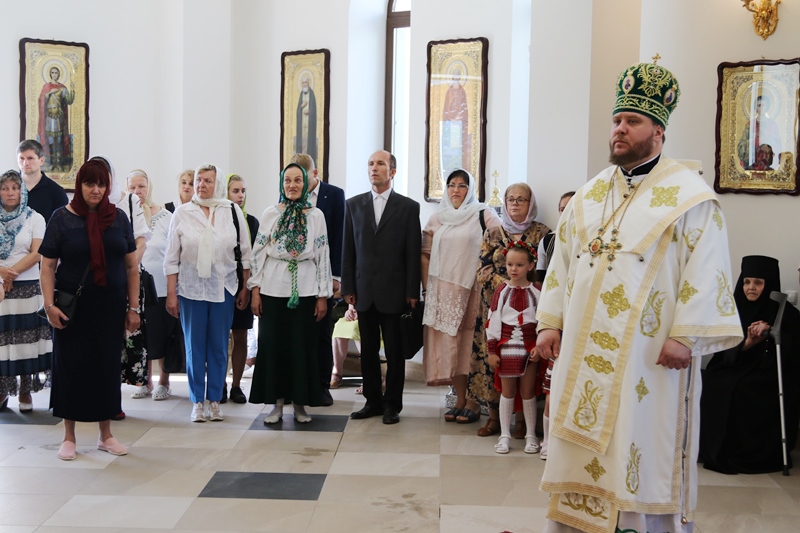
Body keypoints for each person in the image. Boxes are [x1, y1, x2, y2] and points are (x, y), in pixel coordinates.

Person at [535, 61, 743, 533]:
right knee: (579, 450)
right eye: (617, 120)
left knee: (640, 443)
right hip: (583, 352)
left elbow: (707, 269)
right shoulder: (588, 195)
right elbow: (562, 262)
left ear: (658, 131)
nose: (619, 129)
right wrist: (550, 321)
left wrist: (685, 336)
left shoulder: (690, 198)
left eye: (632, 121)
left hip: (647, 358)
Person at [39, 159, 140, 461]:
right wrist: (49, 305)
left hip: (110, 308)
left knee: (106, 368)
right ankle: (68, 437)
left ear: (108, 187)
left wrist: (134, 307)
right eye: (89, 183)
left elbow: (131, 265)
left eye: (101, 184)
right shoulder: (62, 218)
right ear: (79, 185)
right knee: (71, 367)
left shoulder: (118, 218)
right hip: (72, 309)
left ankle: (105, 435)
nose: (95, 190)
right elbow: (47, 266)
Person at [164, 164, 252, 423]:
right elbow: (171, 258)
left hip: (224, 287)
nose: (201, 185)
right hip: (191, 289)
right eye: (198, 180)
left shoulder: (231, 210)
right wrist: (171, 294)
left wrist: (245, 287)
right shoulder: (183, 212)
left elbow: (245, 253)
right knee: (194, 347)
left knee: (218, 346)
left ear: (218, 184)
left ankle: (214, 399)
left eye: (207, 181)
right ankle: (196, 402)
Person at [248, 163, 332, 423]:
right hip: (273, 288)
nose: (292, 185)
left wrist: (322, 294)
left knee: (301, 348)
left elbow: (323, 254)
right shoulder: (270, 213)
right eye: (287, 180)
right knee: (274, 347)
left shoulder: (316, 215)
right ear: (282, 184)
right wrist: (255, 291)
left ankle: (299, 405)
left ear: (305, 183)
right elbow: (257, 254)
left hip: (305, 289)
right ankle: (276, 406)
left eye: (298, 180)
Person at [700, 255, 800, 474]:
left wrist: (771, 333)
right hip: (734, 366)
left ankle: (743, 452)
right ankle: (713, 449)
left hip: (768, 373)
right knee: (710, 381)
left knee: (741, 389)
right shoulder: (732, 310)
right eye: (746, 282)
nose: (751, 287)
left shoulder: (787, 314)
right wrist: (748, 343)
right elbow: (722, 352)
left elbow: (792, 355)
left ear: (769, 285)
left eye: (758, 282)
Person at [342, 150, 421, 425]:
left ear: (392, 171)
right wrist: (348, 287)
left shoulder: (408, 207)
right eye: (371, 164)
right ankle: (372, 401)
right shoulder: (353, 205)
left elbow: (412, 252)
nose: (374, 168)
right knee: (368, 351)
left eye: (380, 164)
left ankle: (392, 405)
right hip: (364, 291)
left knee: (395, 353)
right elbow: (348, 250)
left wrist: (412, 291)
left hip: (395, 292)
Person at [465, 183, 550, 434]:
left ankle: (523, 422)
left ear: (530, 204)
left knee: (527, 365)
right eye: (510, 199)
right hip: (496, 309)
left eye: (521, 199)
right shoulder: (492, 233)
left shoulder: (542, 233)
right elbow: (482, 270)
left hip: (529, 312)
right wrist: (509, 287)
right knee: (495, 363)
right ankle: (494, 419)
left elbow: (547, 272)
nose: (515, 204)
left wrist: (524, 287)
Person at [421, 168, 500, 423]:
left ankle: (474, 401)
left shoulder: (483, 214)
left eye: (462, 185)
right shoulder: (437, 218)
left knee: (470, 345)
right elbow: (425, 255)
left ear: (471, 189)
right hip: (443, 293)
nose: (456, 190)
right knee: (451, 346)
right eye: (452, 185)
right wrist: (426, 289)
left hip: (471, 290)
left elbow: (500, 246)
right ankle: (460, 399)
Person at [91, 156, 150, 416]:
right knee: (94, 341)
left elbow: (141, 239)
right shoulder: (84, 205)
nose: (98, 185)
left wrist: (128, 266)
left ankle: (112, 402)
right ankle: (91, 398)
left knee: (119, 343)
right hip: (94, 282)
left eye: (103, 178)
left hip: (126, 281)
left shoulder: (128, 201)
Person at [290, 153, 345, 407]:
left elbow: (339, 236)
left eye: (302, 177)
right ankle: (294, 386)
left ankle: (322, 386)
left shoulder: (333, 195)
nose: (296, 183)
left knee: (322, 333)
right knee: (296, 333)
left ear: (315, 173)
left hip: (324, 274)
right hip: (295, 278)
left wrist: (336, 277)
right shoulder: (288, 194)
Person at [0, 170, 51, 413]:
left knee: (25, 343)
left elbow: (37, 253)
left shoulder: (34, 218)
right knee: (3, 343)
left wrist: (11, 274)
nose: (10, 193)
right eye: (4, 188)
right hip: (0, 286)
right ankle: (2, 389)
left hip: (27, 287)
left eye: (15, 188)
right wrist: (2, 273)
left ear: (22, 191)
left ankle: (25, 390)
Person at [486, 241, 541, 454]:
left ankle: (530, 434)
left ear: (530, 265)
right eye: (510, 265)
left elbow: (542, 320)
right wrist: (492, 350)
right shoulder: (502, 291)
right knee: (507, 392)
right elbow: (493, 320)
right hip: (507, 346)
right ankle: (504, 435)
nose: (513, 269)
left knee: (528, 391)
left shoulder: (537, 291)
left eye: (519, 265)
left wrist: (538, 345)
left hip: (530, 346)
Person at [127, 169, 175, 401]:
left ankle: (164, 382)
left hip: (161, 287)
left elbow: (173, 253)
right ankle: (144, 381)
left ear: (149, 188)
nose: (137, 192)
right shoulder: (123, 215)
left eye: (142, 187)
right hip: (134, 288)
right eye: (133, 187)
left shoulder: (166, 216)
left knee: (161, 335)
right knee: (141, 336)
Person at [536, 190, 575, 460]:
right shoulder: (549, 240)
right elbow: (543, 279)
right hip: (556, 318)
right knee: (552, 383)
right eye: (562, 209)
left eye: (571, 207)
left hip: (578, 317)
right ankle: (548, 440)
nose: (566, 213)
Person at [224, 173, 259, 404]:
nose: (240, 195)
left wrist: (248, 288)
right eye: (235, 191)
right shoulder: (218, 219)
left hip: (243, 284)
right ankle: (219, 384)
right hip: (221, 285)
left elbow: (254, 257)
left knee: (240, 335)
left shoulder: (252, 222)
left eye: (243, 191)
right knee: (219, 338)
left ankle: (236, 385)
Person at [16, 140, 68, 223]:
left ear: (41, 161)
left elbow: (61, 225)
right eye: (21, 158)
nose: (25, 163)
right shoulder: (6, 188)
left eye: (30, 158)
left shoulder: (56, 192)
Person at [37, 66, 75, 171]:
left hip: (59, 117)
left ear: (59, 74)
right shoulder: (46, 87)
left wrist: (72, 90)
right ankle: (52, 163)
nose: (54, 75)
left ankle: (58, 163)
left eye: (56, 73)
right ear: (50, 74)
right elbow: (41, 100)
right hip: (49, 118)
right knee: (50, 140)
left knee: (58, 140)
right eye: (53, 72)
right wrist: (50, 93)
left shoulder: (62, 88)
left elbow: (69, 101)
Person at [737, 94, 781, 170]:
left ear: (767, 107)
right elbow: (741, 145)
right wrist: (752, 141)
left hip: (768, 161)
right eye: (759, 105)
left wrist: (768, 145)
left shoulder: (772, 124)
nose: (762, 108)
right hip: (753, 162)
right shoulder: (750, 125)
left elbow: (777, 143)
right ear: (756, 108)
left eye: (764, 105)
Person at [296, 75, 318, 162]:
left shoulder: (311, 94)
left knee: (308, 143)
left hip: (309, 125)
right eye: (303, 83)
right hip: (302, 125)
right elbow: (298, 110)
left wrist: (309, 111)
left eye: (305, 82)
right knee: (302, 142)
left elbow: (314, 109)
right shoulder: (301, 94)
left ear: (308, 83)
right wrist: (301, 106)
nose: (304, 84)